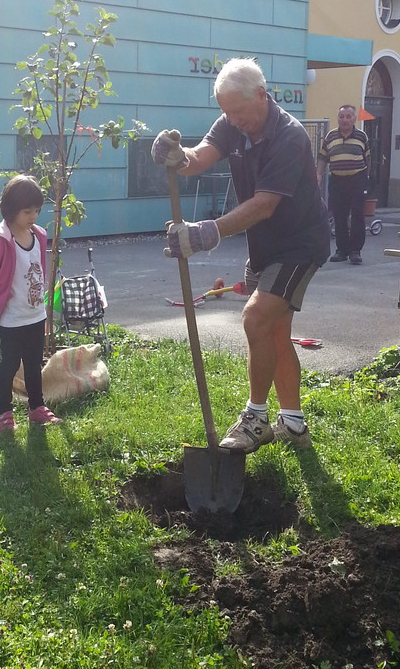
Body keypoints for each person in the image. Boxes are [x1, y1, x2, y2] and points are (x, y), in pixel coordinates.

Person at [151, 57, 329, 453]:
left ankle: (256, 418)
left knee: (254, 318)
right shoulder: (232, 122)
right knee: (275, 333)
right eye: (225, 112)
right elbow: (198, 158)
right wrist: (177, 157)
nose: (231, 120)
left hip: (299, 245)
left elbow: (265, 204)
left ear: (262, 96)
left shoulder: (290, 136)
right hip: (265, 247)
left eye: (238, 111)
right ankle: (294, 425)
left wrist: (205, 233)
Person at [0, 175, 62, 433]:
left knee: (34, 363)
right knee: (10, 364)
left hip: (35, 315)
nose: (33, 216)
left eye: (37, 210)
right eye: (27, 211)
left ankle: (37, 407)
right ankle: (3, 412)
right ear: (11, 209)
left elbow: (39, 270)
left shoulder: (39, 235)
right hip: (12, 318)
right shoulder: (1, 241)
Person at [317, 104, 371, 265]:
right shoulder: (330, 136)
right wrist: (318, 174)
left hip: (357, 180)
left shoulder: (362, 136)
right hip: (337, 181)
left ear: (354, 118)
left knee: (357, 215)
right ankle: (342, 250)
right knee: (339, 215)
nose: (345, 120)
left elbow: (368, 159)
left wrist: (365, 179)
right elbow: (322, 157)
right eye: (342, 116)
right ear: (338, 118)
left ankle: (355, 251)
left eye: (348, 116)